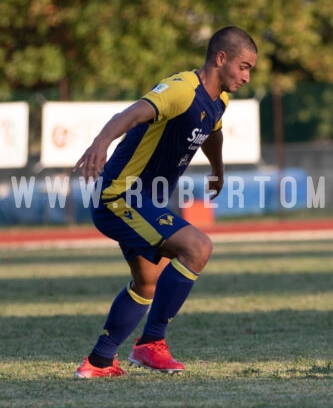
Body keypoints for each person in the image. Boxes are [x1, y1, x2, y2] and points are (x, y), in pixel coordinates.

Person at [72, 26, 258, 378]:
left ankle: (98, 362)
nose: (247, 76)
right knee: (198, 247)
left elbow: (212, 132)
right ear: (221, 58)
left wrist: (217, 170)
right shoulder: (180, 90)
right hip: (119, 197)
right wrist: (101, 142)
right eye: (244, 67)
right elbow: (129, 115)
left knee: (146, 283)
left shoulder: (219, 100)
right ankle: (150, 344)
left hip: (145, 201)